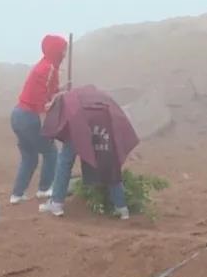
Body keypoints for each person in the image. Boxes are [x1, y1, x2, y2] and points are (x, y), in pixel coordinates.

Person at [39, 85, 140, 220]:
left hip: (80, 125)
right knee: (110, 163)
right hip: (105, 124)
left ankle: (56, 204)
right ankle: (122, 209)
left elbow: (64, 123)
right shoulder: (98, 95)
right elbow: (118, 115)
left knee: (65, 161)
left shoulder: (67, 100)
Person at [10, 34, 67, 204]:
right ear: (56, 51)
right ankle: (44, 189)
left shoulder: (43, 66)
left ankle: (17, 195)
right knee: (51, 152)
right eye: (63, 50)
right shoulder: (48, 68)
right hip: (29, 117)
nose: (64, 54)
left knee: (29, 157)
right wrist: (59, 97)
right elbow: (42, 102)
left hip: (18, 115)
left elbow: (47, 90)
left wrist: (60, 90)